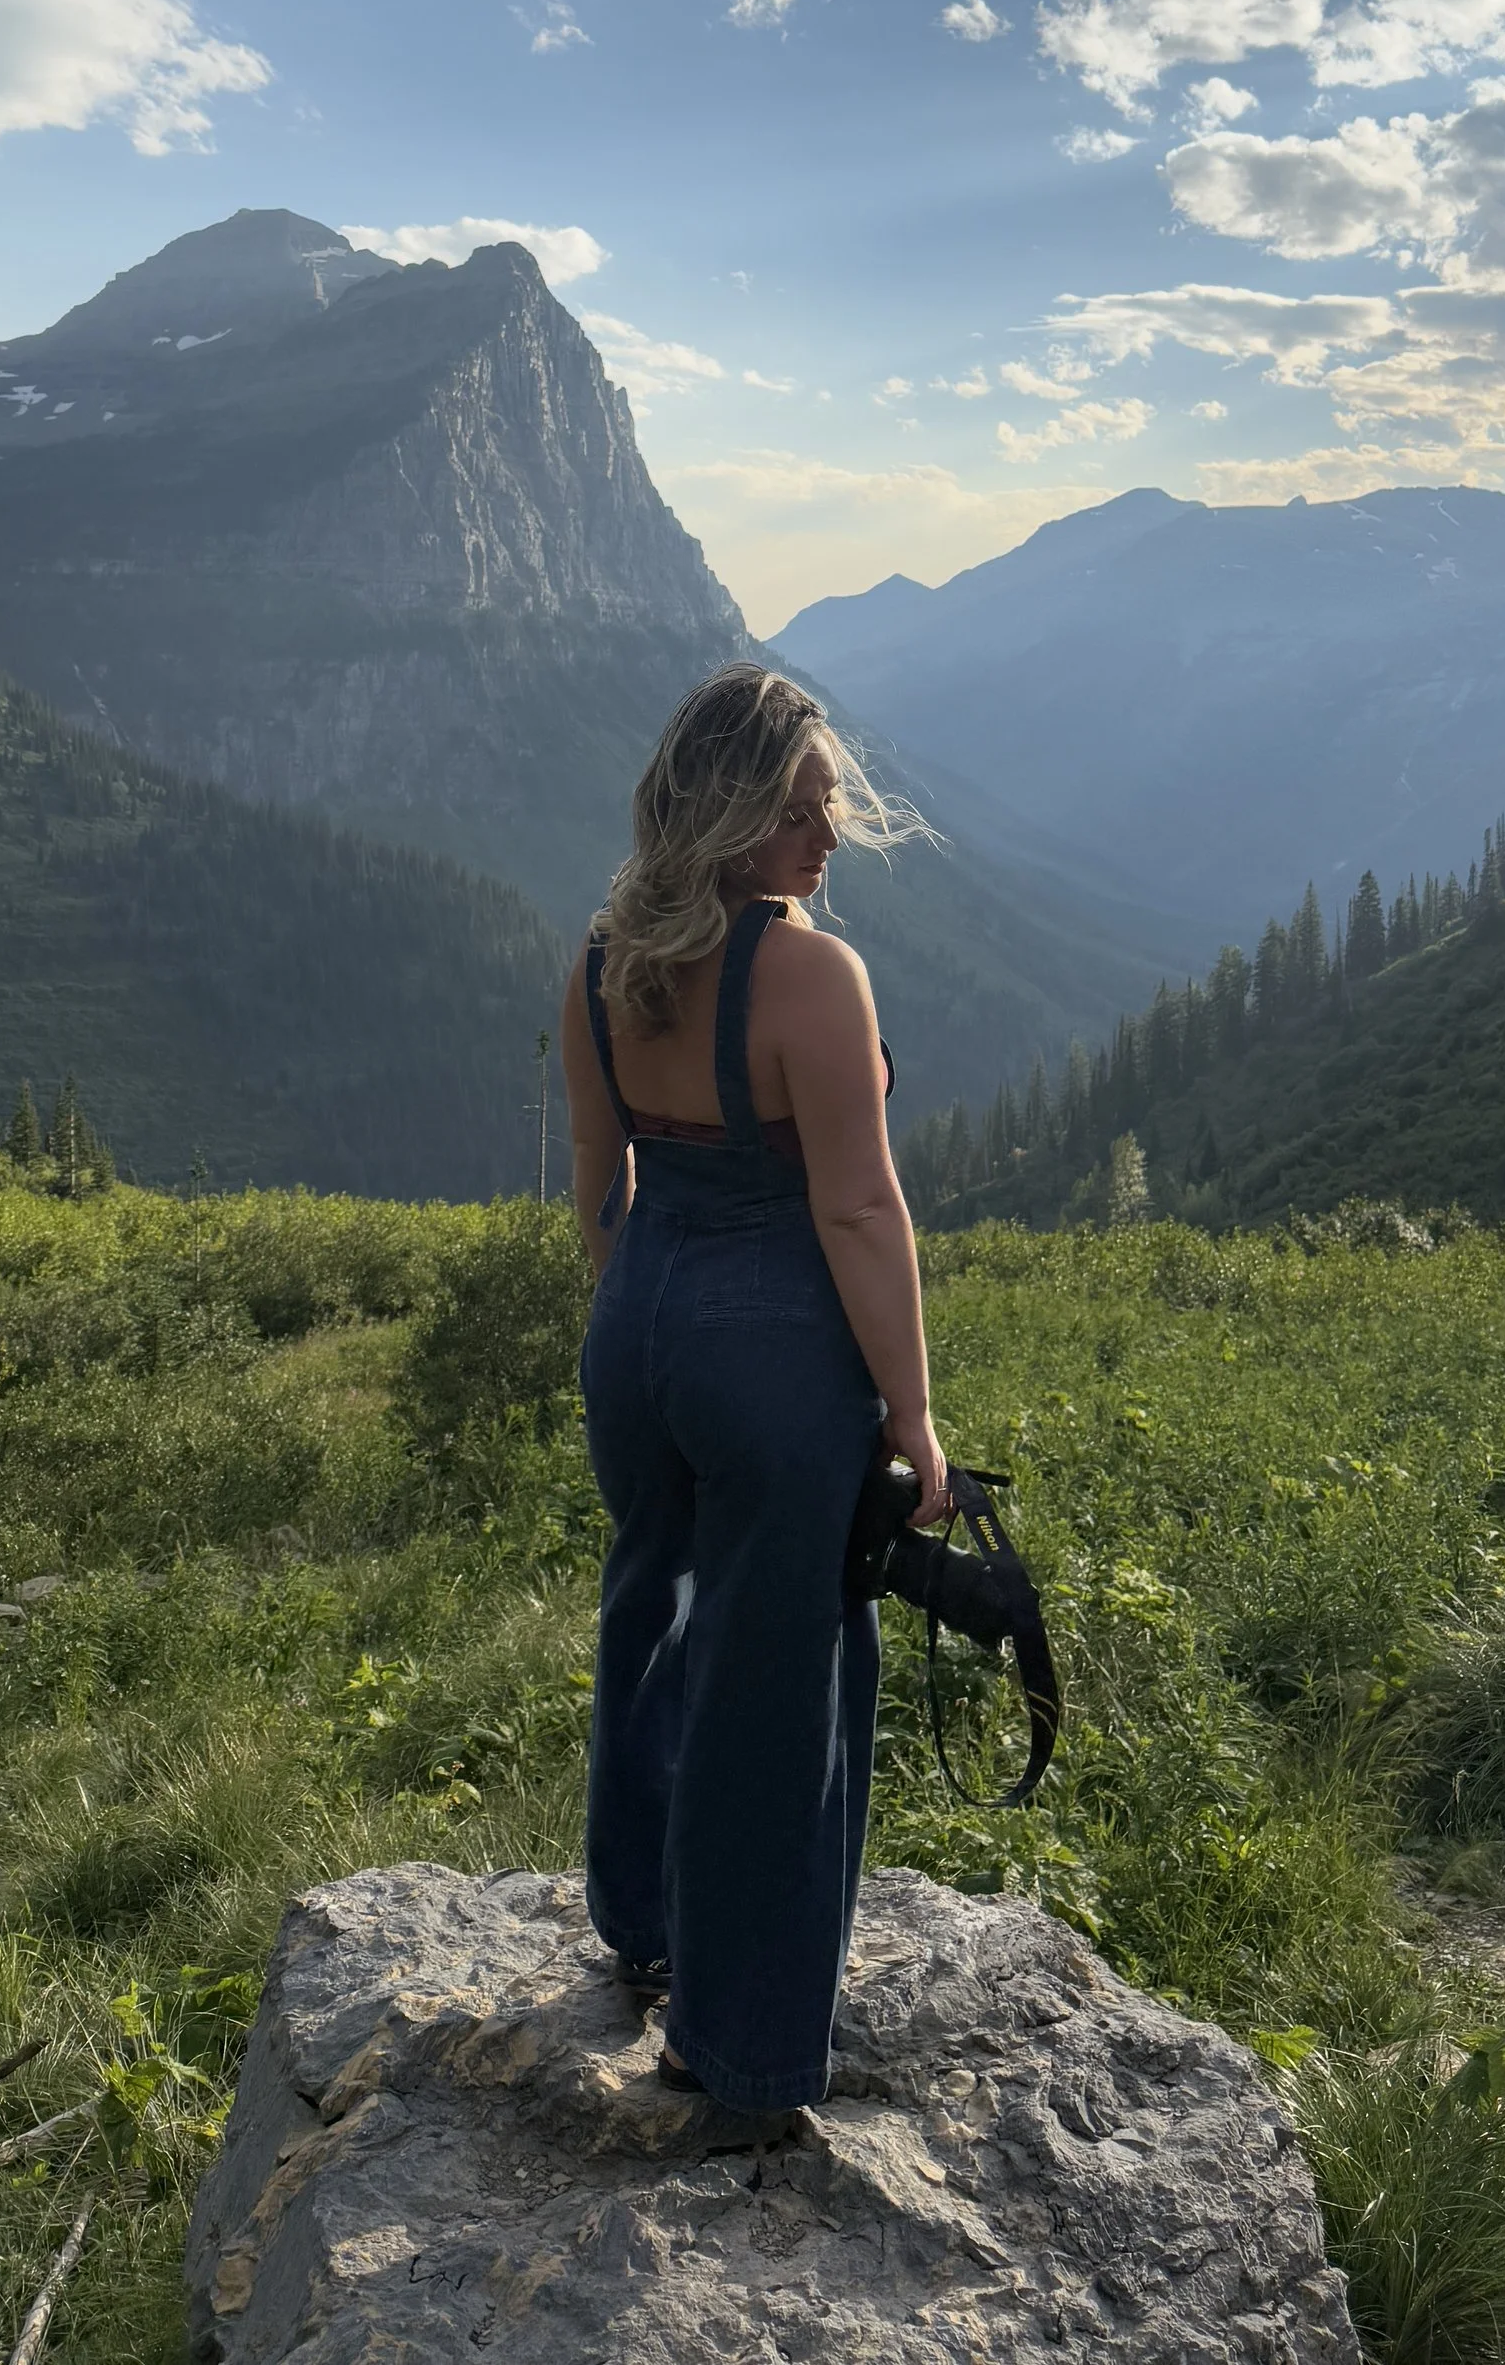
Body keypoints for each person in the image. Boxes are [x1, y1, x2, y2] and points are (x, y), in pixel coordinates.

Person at [563, 659, 948, 2121]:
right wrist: (911, 1418)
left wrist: (644, 1313)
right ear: (724, 815)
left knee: (649, 1609)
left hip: (641, 1325)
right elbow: (859, 1209)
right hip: (774, 1341)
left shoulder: (606, 959)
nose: (828, 833)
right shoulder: (809, 976)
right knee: (781, 1676)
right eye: (799, 808)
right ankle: (743, 2045)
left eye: (829, 802)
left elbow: (602, 1180)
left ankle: (644, 1925)